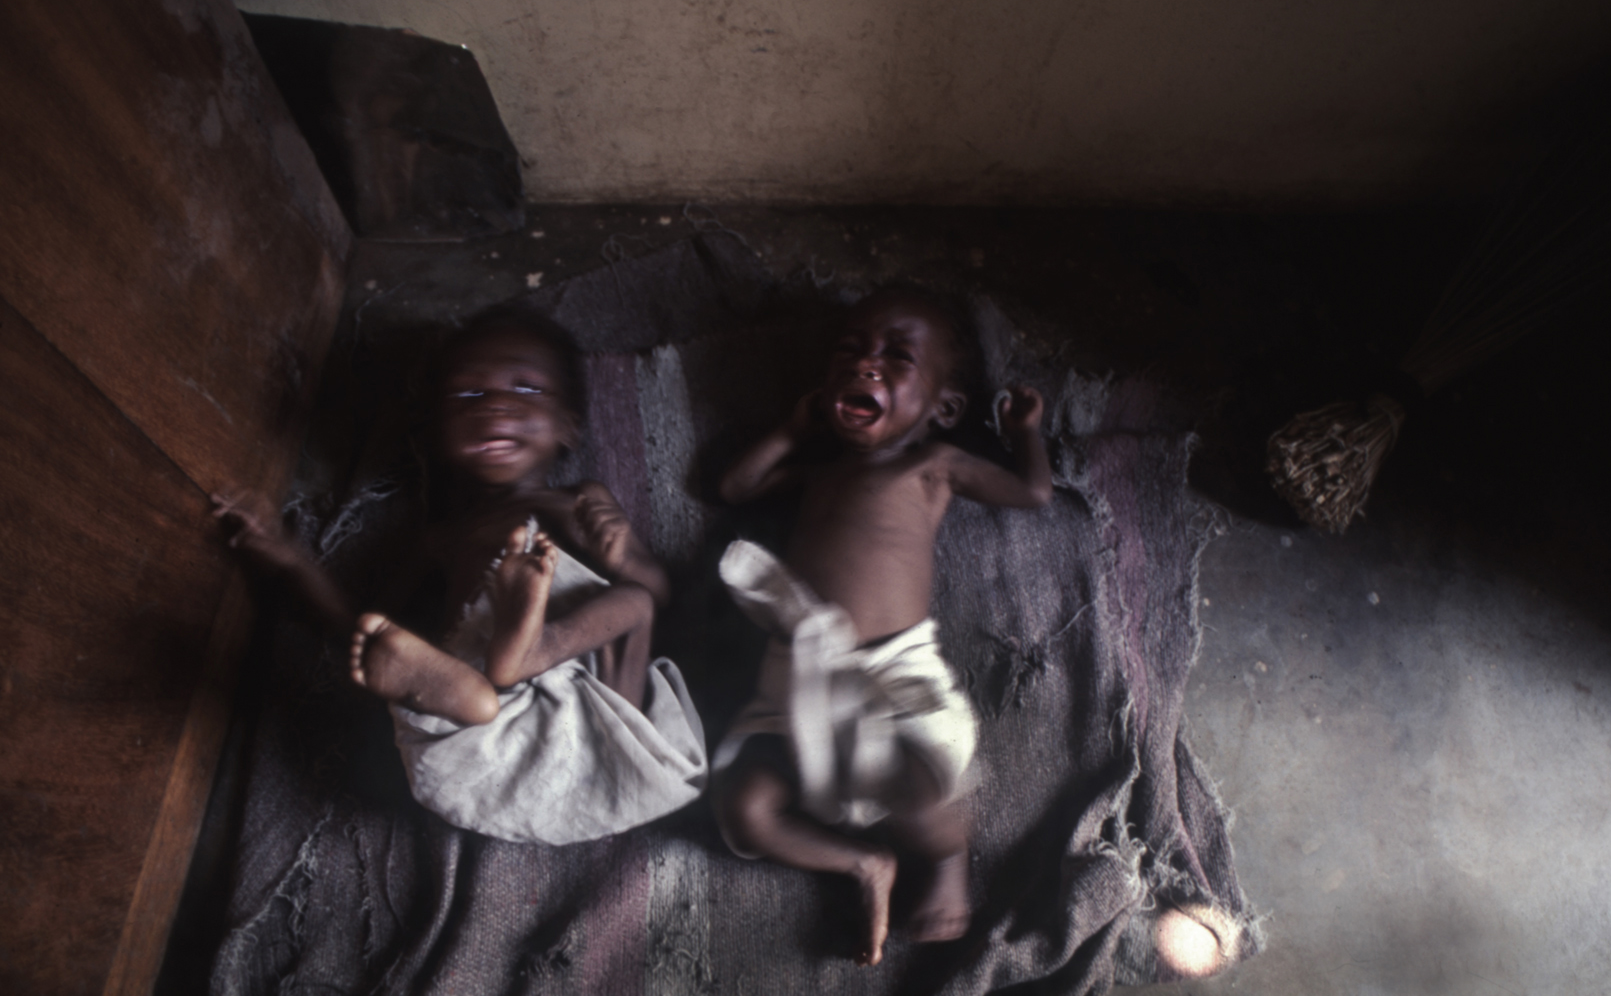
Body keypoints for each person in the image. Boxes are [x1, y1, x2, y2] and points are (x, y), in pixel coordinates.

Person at [213, 306, 706, 845]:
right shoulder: (443, 538)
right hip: (485, 722)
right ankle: (479, 685)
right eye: (468, 395)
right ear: (439, 430)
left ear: (568, 426)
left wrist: (623, 554)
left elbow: (658, 595)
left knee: (636, 602)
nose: (495, 404)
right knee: (394, 649)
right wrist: (289, 558)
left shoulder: (581, 502)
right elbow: (360, 624)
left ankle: (531, 651)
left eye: (526, 387)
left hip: (600, 713)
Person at [714, 289, 1052, 965]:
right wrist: (790, 428)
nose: (866, 365)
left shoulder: (933, 465)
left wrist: (1025, 434)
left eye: (896, 357)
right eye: (850, 351)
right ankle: (860, 862)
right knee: (744, 806)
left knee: (920, 793)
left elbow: (1033, 493)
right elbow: (735, 488)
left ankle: (947, 860)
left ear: (943, 408)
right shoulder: (819, 472)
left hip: (889, 673)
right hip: (795, 675)